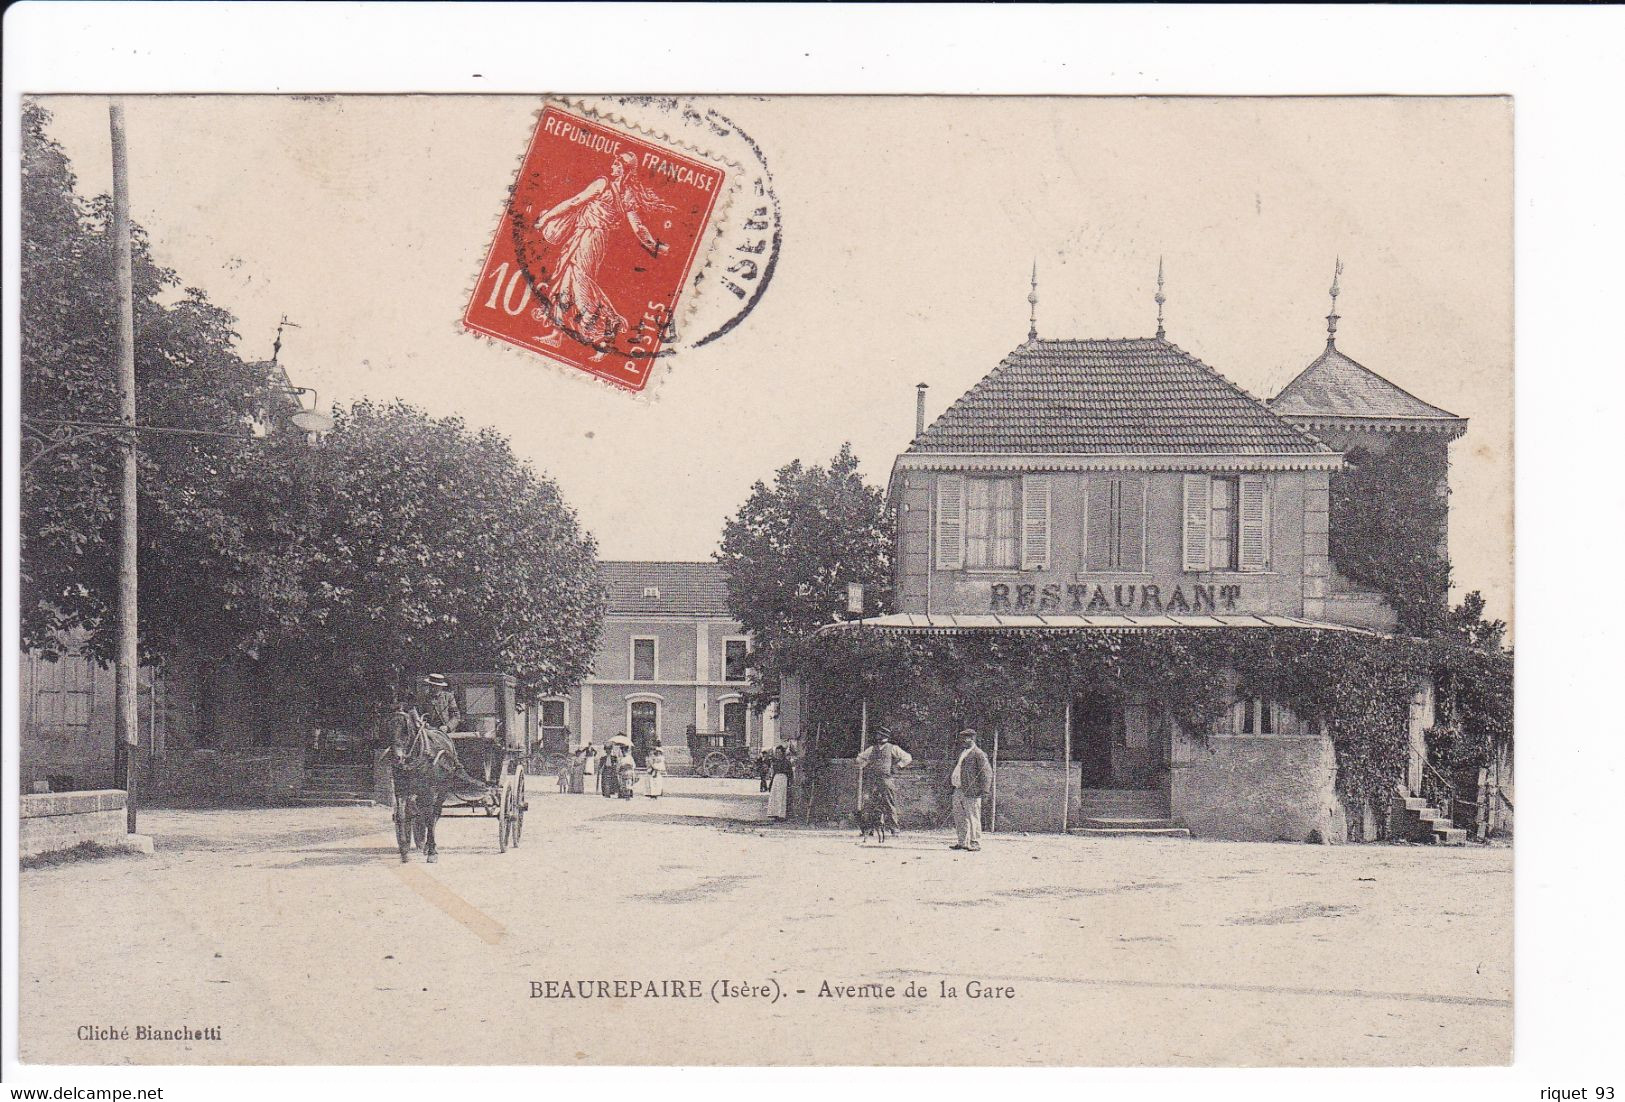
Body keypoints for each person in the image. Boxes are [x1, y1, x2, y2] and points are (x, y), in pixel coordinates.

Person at [533, 151, 672, 354]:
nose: (613, 167)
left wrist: (546, 219)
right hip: (594, 240)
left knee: (579, 286)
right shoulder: (627, 194)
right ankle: (557, 335)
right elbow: (638, 227)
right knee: (566, 282)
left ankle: (605, 328)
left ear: (623, 169)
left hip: (588, 239)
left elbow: (574, 202)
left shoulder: (603, 184)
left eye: (617, 165)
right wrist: (655, 247)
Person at [855, 728, 913, 835]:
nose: (878, 737)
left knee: (889, 803)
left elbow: (907, 758)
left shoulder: (892, 748)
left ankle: (894, 829)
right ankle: (868, 830)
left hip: (886, 779)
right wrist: (867, 765)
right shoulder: (872, 749)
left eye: (880, 735)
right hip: (873, 780)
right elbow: (859, 758)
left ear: (885, 736)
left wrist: (898, 766)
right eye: (878, 735)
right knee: (869, 804)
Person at [949, 728, 993, 852]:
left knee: (973, 817)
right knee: (959, 817)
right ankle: (962, 842)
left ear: (972, 739)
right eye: (962, 738)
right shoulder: (963, 752)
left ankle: (975, 842)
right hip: (958, 790)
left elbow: (987, 773)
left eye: (966, 738)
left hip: (972, 791)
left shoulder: (979, 753)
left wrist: (984, 791)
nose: (963, 740)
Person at [766, 745, 793, 820]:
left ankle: (781, 815)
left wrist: (790, 782)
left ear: (782, 753)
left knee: (781, 796)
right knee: (774, 796)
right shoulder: (775, 762)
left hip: (783, 779)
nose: (777, 753)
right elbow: (774, 772)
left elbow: (790, 773)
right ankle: (774, 814)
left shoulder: (787, 762)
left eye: (779, 752)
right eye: (776, 752)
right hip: (776, 779)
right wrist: (771, 783)